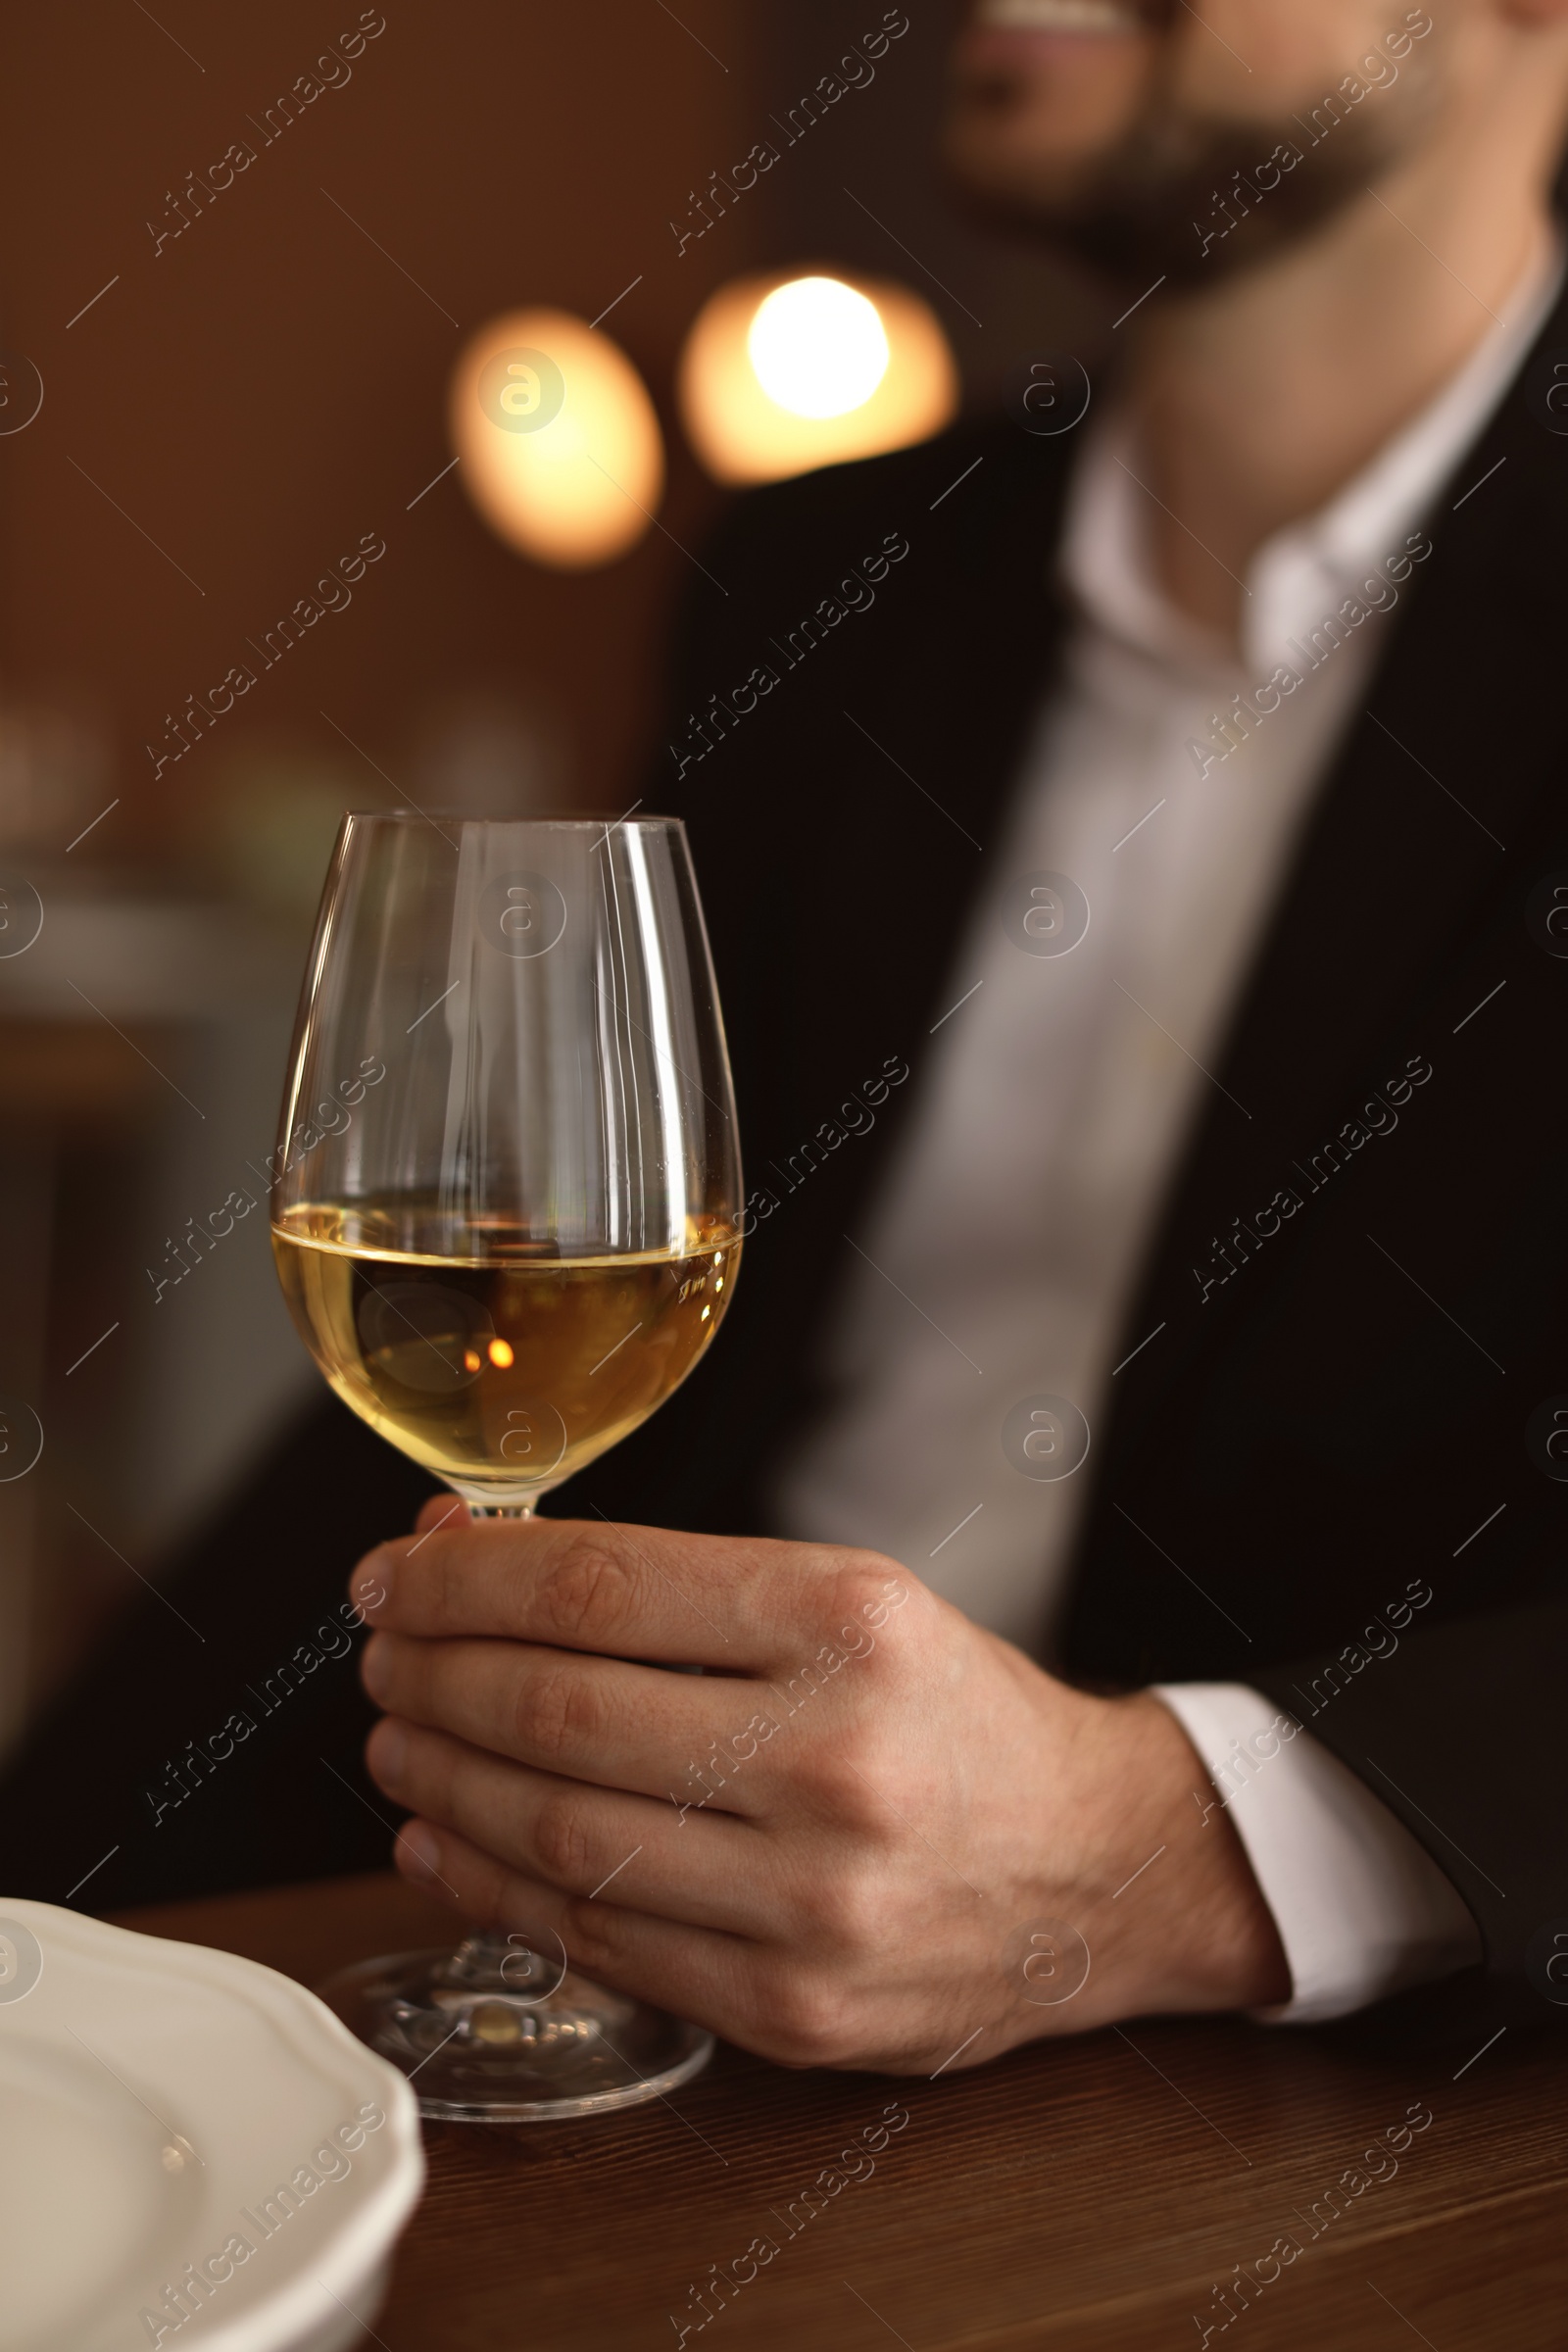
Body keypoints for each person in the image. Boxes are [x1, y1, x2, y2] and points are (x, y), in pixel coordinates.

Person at [8, 0, 1566, 2069]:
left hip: (1247, 2112)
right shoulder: (827, 572)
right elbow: (518, 1334)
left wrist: (1173, 1850)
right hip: (613, 1955)